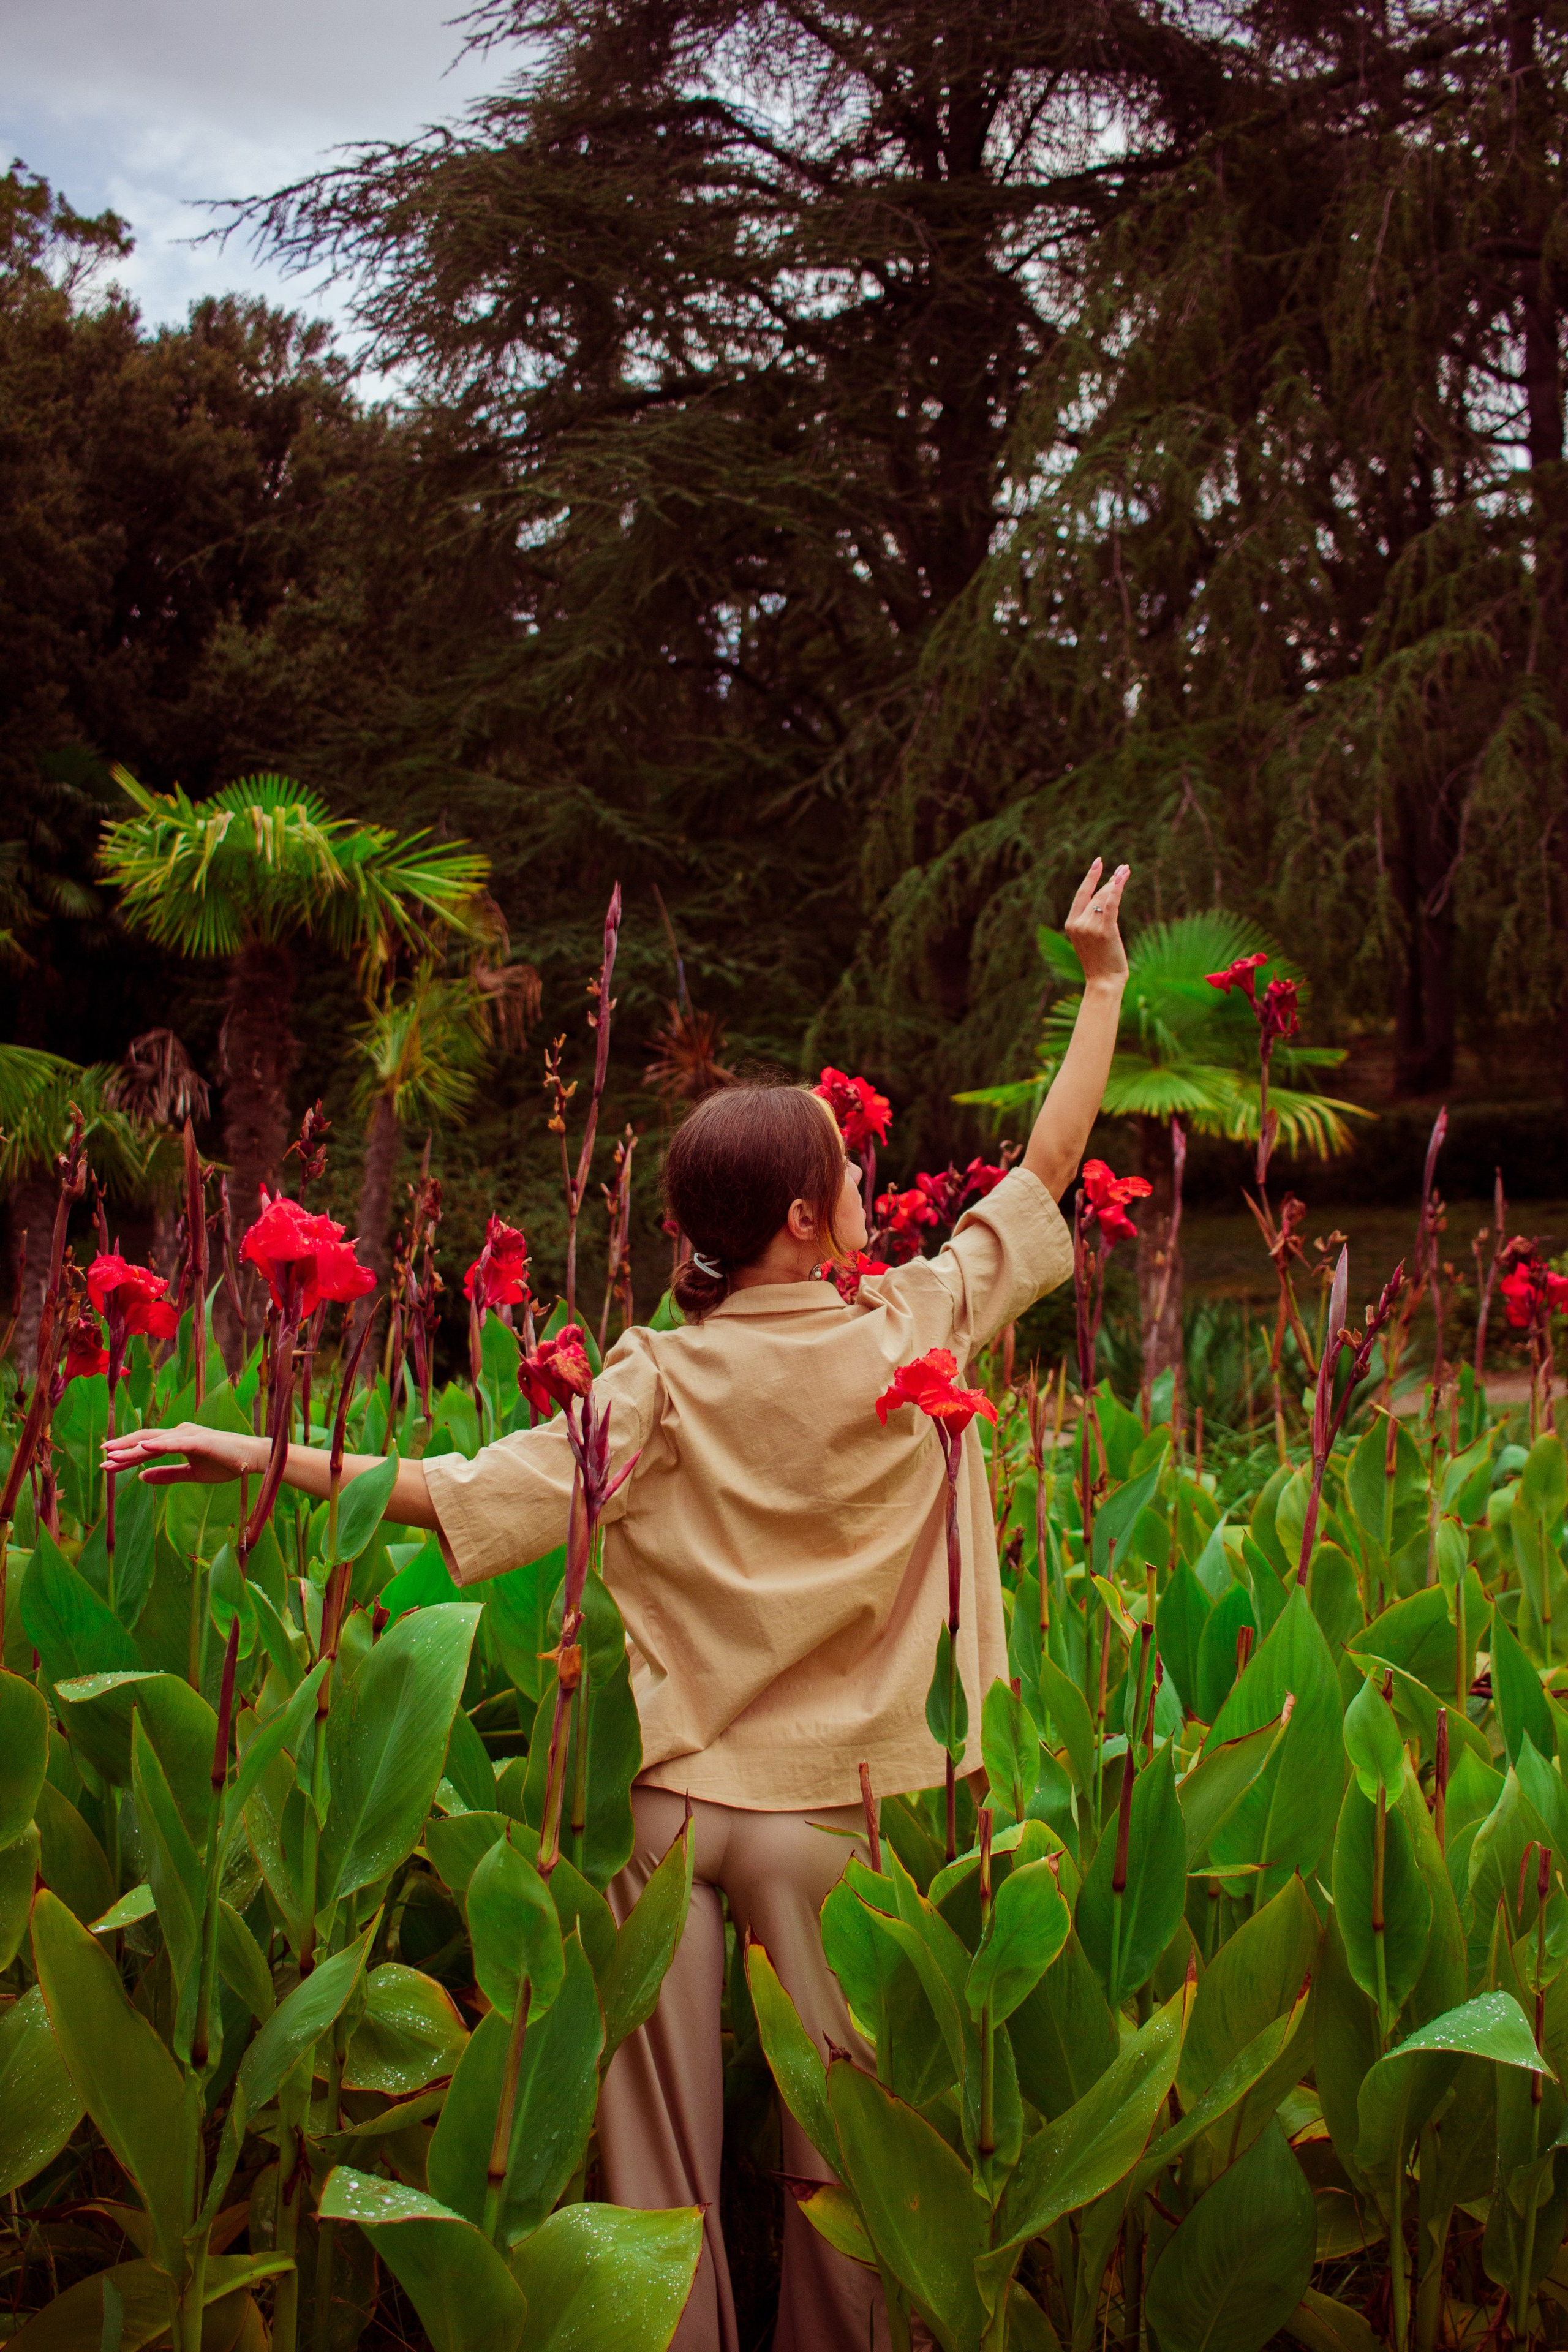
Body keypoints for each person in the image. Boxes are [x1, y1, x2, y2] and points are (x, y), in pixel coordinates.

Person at [105, 856, 1131, 2352]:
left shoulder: (649, 1378)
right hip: (830, 1816)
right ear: (802, 1218)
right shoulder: (910, 1323)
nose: (863, 1191)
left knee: (652, 2167)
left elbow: (458, 1487)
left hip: (659, 1811)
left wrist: (250, 1448)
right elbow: (1041, 1176)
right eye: (846, 1175)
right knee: (846, 2152)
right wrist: (1098, 984)